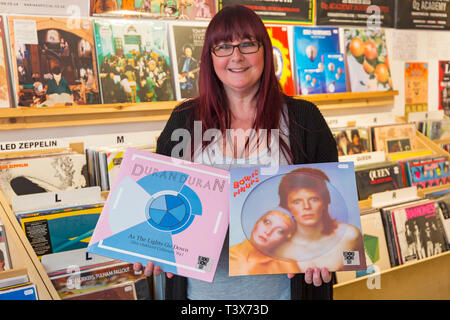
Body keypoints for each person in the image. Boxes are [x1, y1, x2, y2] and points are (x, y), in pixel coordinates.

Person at [134, 4, 338, 300]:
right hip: (198, 297)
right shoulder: (184, 120)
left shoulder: (303, 120)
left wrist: (325, 256)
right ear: (210, 57)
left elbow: (332, 199)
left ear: (265, 51)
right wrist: (150, 245)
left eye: (247, 44)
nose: (236, 56)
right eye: (223, 47)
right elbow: (157, 199)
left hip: (283, 294)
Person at [275, 167, 364, 271]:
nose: (306, 206)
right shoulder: (281, 252)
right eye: (297, 201)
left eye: (314, 199)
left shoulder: (348, 237)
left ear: (325, 201)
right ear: (287, 207)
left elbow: (356, 275)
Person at [229, 208, 300, 276]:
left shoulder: (285, 265)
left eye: (279, 231)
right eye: (267, 222)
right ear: (257, 222)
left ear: (283, 240)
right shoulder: (228, 255)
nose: (268, 232)